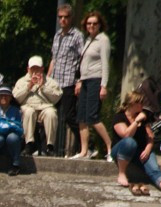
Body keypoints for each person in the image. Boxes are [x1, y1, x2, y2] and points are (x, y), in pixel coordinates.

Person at [110, 91, 161, 198]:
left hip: (141, 150)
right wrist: (136, 121)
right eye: (140, 103)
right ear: (132, 103)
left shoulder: (144, 118)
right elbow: (126, 135)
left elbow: (150, 138)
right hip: (122, 150)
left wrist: (147, 149)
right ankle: (122, 173)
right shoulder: (119, 117)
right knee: (130, 142)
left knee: (154, 169)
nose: (142, 106)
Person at [70, 10, 112, 161]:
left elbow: (105, 64)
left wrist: (104, 85)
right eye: (89, 23)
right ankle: (84, 151)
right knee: (81, 116)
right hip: (85, 81)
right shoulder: (87, 40)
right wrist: (79, 81)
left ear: (100, 25)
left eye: (94, 23)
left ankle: (109, 148)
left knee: (93, 117)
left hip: (96, 80)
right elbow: (83, 64)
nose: (91, 26)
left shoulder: (103, 40)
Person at [48, 3, 84, 157]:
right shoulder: (57, 36)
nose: (62, 20)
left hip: (69, 80)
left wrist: (79, 80)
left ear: (71, 18)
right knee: (50, 113)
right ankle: (47, 147)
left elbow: (82, 59)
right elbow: (53, 59)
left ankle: (84, 145)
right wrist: (47, 79)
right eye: (60, 17)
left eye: (66, 17)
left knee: (70, 116)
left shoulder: (77, 36)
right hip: (55, 81)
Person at [13, 55, 62, 156]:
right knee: (29, 112)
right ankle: (29, 144)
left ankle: (50, 146)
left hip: (45, 107)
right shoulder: (21, 81)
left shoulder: (50, 81)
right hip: (28, 106)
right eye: (32, 68)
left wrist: (43, 87)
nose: (35, 71)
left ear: (42, 68)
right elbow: (16, 98)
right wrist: (28, 86)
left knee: (51, 113)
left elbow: (57, 97)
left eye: (37, 68)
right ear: (28, 69)